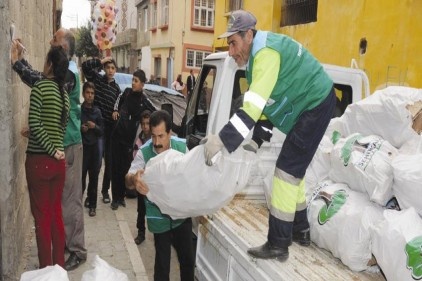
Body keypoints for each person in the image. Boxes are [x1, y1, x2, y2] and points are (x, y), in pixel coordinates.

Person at [202, 10, 336, 261]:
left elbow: (251, 108)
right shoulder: (256, 62)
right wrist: (258, 138)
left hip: (315, 104)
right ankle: (300, 230)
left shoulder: (265, 55)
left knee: (286, 170)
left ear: (249, 35)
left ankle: (278, 243)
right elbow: (265, 103)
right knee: (294, 170)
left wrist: (220, 140)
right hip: (311, 106)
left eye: (233, 43)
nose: (231, 51)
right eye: (228, 44)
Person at [11, 28, 88, 270]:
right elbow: (58, 118)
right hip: (59, 152)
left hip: (62, 150)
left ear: (60, 50)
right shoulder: (62, 87)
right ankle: (58, 266)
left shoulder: (69, 76)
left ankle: (73, 252)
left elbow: (40, 83)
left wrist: (17, 63)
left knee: (64, 205)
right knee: (55, 211)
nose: (49, 41)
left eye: (54, 40)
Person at [125, 110, 195, 281]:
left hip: (181, 215)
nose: (156, 142)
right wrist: (134, 179)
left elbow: (193, 176)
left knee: (187, 260)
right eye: (153, 136)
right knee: (162, 265)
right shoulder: (144, 151)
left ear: (170, 133)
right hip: (158, 218)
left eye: (161, 136)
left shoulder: (181, 147)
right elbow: (127, 180)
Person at [21, 46, 69, 268]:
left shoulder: (40, 88)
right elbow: (58, 127)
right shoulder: (65, 94)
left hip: (40, 162)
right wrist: (56, 150)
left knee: (42, 219)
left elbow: (35, 123)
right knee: (56, 215)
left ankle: (46, 272)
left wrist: (49, 149)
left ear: (49, 64)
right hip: (58, 165)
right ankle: (58, 268)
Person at [110, 69, 155, 210]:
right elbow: (117, 101)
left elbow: (154, 112)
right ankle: (115, 199)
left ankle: (121, 197)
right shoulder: (127, 92)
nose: (133, 83)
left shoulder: (144, 101)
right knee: (115, 169)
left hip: (130, 142)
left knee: (125, 170)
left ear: (142, 84)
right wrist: (115, 110)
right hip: (116, 137)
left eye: (136, 81)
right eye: (133, 80)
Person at [82, 56, 121, 204]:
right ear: (104, 69)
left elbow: (119, 108)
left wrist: (117, 112)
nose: (110, 70)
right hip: (95, 130)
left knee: (109, 163)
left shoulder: (117, 89)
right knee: (96, 165)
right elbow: (85, 66)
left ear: (115, 70)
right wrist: (102, 60)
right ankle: (89, 196)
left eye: (112, 68)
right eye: (108, 67)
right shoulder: (97, 80)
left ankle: (105, 191)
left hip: (109, 131)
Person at [81, 82, 104, 217]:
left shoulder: (97, 112)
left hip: (94, 149)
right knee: (81, 178)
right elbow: (73, 127)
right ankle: (79, 202)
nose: (90, 96)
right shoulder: (79, 110)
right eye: (88, 93)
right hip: (83, 150)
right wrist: (81, 128)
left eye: (92, 93)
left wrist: (94, 126)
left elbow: (102, 132)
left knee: (94, 179)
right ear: (83, 94)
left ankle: (93, 205)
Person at [132, 110, 151, 245]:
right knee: (141, 209)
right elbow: (135, 158)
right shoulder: (138, 141)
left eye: (148, 124)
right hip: (142, 180)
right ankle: (141, 232)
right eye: (143, 124)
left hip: (153, 181)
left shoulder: (155, 140)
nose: (145, 127)